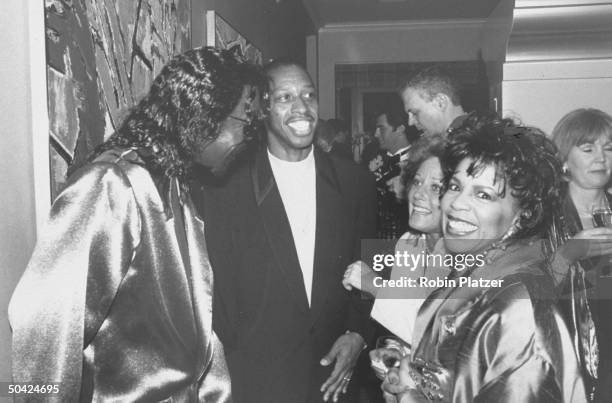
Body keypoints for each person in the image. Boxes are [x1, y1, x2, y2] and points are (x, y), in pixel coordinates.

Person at [8, 47, 261, 402]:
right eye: (245, 121)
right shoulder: (109, 185)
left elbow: (194, 334)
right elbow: (43, 330)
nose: (246, 138)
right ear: (208, 115)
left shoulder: (174, 183)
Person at [199, 60, 377, 403]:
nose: (302, 107)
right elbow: (215, 292)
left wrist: (358, 333)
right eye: (285, 97)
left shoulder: (356, 182)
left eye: (309, 95)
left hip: (333, 379)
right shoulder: (225, 189)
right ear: (262, 109)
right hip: (255, 382)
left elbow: (372, 263)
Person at [380, 114, 586, 403]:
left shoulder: (517, 307)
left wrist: (412, 396)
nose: (456, 204)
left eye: (484, 195)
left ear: (524, 211)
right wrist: (414, 380)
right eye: (454, 186)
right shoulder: (472, 270)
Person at [551, 108, 612, 402]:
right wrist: (567, 253)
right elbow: (525, 294)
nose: (601, 157)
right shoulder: (542, 219)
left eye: (609, 148)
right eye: (588, 148)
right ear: (564, 161)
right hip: (570, 359)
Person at [373, 99, 416, 239]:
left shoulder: (417, 164)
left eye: (381, 129)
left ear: (400, 129)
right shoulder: (373, 158)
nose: (376, 134)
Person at [401, 65, 467, 138]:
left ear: (440, 102)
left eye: (415, 113)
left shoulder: (469, 146)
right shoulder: (467, 141)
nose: (410, 123)